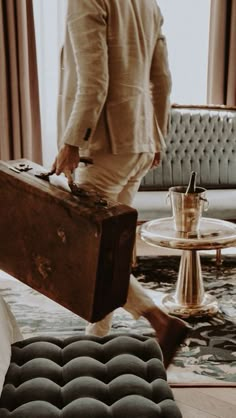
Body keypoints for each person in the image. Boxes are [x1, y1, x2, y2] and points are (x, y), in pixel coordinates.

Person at [53, 0, 191, 368]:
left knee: (89, 250)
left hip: (104, 146)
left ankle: (161, 321)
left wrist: (71, 142)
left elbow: (94, 80)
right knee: (112, 249)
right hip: (139, 143)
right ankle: (95, 337)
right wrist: (157, 137)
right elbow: (162, 79)